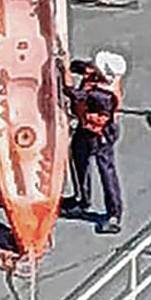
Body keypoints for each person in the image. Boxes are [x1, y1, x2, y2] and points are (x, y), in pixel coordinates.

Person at [62, 50, 125, 234]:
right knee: (78, 160)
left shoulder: (103, 95)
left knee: (106, 171)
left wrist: (62, 77)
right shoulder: (100, 76)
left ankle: (114, 213)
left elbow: (76, 94)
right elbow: (83, 67)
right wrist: (74, 66)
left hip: (100, 134)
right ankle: (81, 199)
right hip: (85, 129)